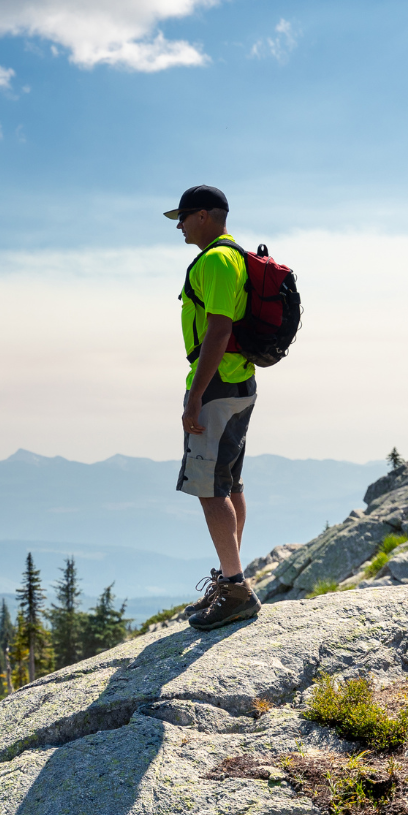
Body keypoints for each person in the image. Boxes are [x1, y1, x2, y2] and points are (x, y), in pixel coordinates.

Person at [165, 185, 262, 631]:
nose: (180, 226)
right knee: (229, 481)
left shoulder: (218, 260)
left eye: (183, 217)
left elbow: (219, 329)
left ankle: (237, 590)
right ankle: (230, 579)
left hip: (218, 385)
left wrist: (195, 394)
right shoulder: (234, 257)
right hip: (237, 381)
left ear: (204, 216)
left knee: (210, 488)